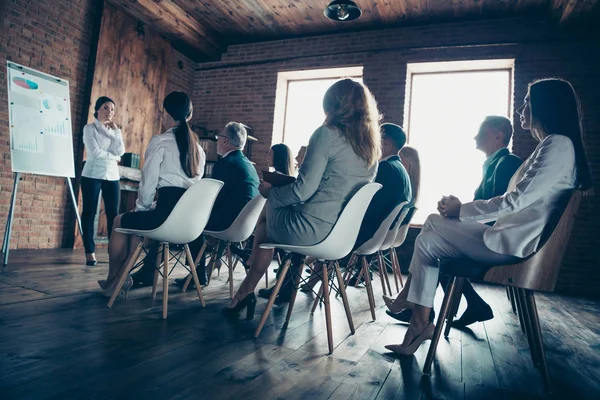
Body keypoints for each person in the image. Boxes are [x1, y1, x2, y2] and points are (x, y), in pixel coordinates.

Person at [384, 78, 592, 356]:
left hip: (513, 245)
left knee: (433, 221)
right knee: (427, 243)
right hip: (511, 239)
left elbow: (516, 201)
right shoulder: (555, 145)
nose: (522, 107)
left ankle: (416, 313)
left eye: (528, 102)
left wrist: (461, 210)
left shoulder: (558, 145)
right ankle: (419, 323)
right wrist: (462, 211)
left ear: (546, 105)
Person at [223, 78, 381, 319]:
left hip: (312, 231)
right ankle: (267, 288)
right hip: (342, 237)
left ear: (332, 105)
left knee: (265, 224)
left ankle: (245, 291)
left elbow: (302, 191)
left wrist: (270, 192)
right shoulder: (371, 148)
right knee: (270, 220)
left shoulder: (327, 134)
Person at [386, 116, 523, 326]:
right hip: (486, 233)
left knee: (434, 241)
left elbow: (500, 209)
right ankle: (464, 305)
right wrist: (455, 212)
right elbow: (487, 204)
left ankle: (414, 303)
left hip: (494, 239)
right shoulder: (495, 164)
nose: (475, 136)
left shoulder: (508, 163)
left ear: (498, 136)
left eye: (481, 132)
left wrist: (458, 215)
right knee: (432, 242)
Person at [98, 91, 205, 297]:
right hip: (189, 223)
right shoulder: (198, 149)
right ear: (189, 116)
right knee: (136, 223)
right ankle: (120, 279)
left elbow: (148, 183)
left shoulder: (161, 141)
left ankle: (115, 279)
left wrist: (141, 208)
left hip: (164, 218)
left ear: (166, 114)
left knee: (121, 221)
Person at [81, 96, 125, 266]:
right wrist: (114, 157)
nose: (110, 112)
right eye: (106, 108)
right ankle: (89, 252)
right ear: (98, 109)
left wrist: (117, 133)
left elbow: (121, 151)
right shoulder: (89, 128)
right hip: (92, 174)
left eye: (112, 109)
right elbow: (95, 153)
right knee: (89, 213)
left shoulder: (114, 130)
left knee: (114, 215)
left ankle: (112, 252)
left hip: (112, 175)